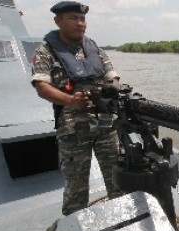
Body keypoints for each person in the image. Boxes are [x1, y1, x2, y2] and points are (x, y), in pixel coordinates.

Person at [31, 1, 121, 215]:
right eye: (73, 18)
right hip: (73, 131)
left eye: (82, 19)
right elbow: (41, 86)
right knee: (76, 187)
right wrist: (70, 100)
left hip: (106, 126)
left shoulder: (94, 48)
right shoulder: (45, 52)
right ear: (58, 21)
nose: (80, 23)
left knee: (117, 177)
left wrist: (111, 89)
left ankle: (122, 223)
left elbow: (113, 75)